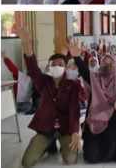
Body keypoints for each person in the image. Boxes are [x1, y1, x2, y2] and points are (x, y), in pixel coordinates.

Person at [18, 28, 80, 167]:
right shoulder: (43, 81)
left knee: (69, 159)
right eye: (53, 64)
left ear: (65, 67)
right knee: (27, 162)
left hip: (64, 129)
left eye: (60, 64)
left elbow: (74, 109)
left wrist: (75, 132)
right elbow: (32, 67)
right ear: (49, 66)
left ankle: (62, 145)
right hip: (46, 129)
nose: (57, 66)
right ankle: (48, 144)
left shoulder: (72, 85)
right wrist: (27, 43)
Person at [67, 38, 116, 163]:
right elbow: (86, 72)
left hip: (114, 117)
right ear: (100, 65)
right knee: (90, 157)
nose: (107, 66)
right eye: (104, 63)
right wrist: (76, 57)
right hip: (95, 120)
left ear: (115, 65)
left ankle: (111, 152)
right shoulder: (95, 79)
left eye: (111, 63)